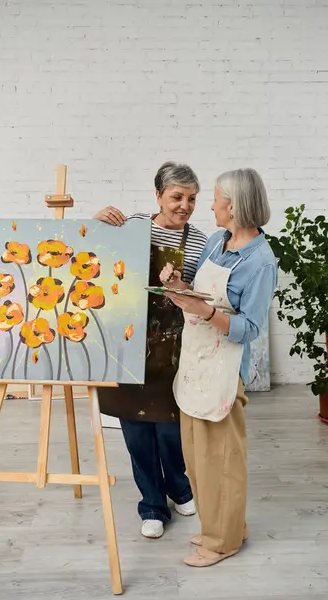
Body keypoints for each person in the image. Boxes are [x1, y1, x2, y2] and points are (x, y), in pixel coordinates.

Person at [160, 168, 278, 566]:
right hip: (197, 362)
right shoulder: (217, 241)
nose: (208, 205)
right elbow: (200, 290)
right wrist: (178, 283)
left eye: (214, 199)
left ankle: (223, 542)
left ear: (233, 205)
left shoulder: (261, 261)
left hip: (226, 370)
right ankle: (224, 526)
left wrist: (205, 311)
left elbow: (249, 327)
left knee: (222, 459)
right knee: (199, 458)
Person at [94, 162, 208, 539]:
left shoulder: (201, 241)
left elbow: (200, 295)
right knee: (136, 431)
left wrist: (181, 284)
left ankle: (180, 487)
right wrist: (96, 223)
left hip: (172, 346)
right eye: (177, 197)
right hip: (125, 342)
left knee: (170, 429)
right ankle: (153, 506)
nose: (185, 205)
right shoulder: (132, 225)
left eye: (191, 198)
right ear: (158, 195)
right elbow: (94, 256)